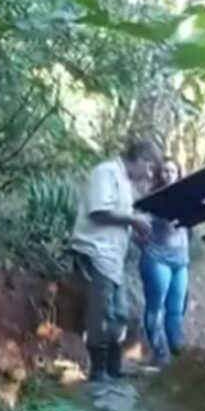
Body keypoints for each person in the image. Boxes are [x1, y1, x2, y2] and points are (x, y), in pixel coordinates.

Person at [70, 141, 158, 382]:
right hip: (95, 251)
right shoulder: (106, 172)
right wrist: (132, 220)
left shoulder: (125, 183)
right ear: (140, 159)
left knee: (119, 312)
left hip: (112, 257)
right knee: (101, 311)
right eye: (149, 168)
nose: (148, 174)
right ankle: (98, 369)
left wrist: (136, 231)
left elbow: (119, 220)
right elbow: (99, 211)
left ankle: (113, 365)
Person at [139, 159, 189, 366]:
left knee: (176, 309)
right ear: (160, 175)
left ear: (179, 173)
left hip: (181, 260)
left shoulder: (188, 196)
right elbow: (138, 224)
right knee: (155, 306)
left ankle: (176, 351)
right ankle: (159, 352)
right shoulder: (152, 199)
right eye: (165, 171)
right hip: (157, 257)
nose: (169, 175)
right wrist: (142, 240)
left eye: (173, 171)